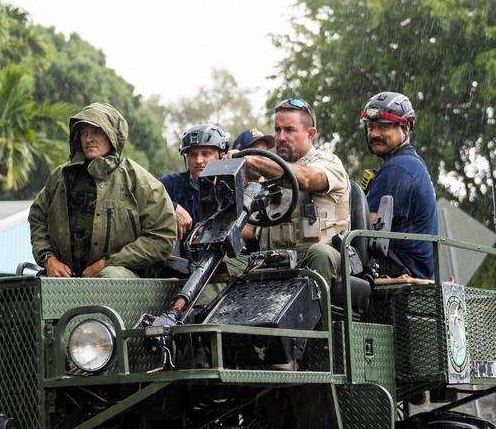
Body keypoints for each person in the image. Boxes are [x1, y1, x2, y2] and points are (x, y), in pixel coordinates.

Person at [29, 102, 176, 278]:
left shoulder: (139, 181)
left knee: (110, 277)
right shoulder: (61, 176)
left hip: (123, 276)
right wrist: (48, 259)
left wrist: (107, 263)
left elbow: (162, 237)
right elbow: (37, 217)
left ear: (112, 135)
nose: (88, 139)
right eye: (84, 132)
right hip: (64, 275)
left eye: (96, 132)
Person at [238, 98, 351, 285]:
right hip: (272, 260)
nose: (281, 137)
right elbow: (251, 227)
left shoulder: (329, 163)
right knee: (225, 263)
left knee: (321, 253)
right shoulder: (267, 176)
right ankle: (195, 313)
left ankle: (310, 312)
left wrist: (252, 160)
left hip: (316, 259)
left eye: (289, 130)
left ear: (310, 134)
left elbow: (306, 178)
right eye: (277, 130)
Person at [358, 91, 438, 279]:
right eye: (371, 127)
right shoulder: (409, 163)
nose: (375, 134)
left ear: (407, 127)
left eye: (384, 127)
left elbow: (364, 229)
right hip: (406, 267)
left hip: (399, 270)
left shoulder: (399, 168)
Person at [160, 124, 230, 239]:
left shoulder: (232, 188)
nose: (198, 160)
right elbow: (142, 193)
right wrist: (171, 207)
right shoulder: (173, 184)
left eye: (206, 154)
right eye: (193, 155)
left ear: (221, 156)